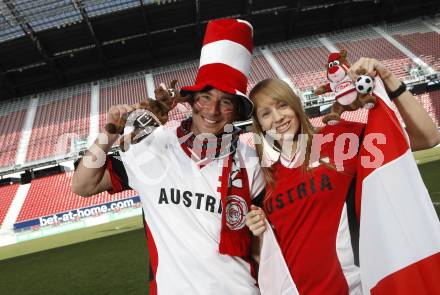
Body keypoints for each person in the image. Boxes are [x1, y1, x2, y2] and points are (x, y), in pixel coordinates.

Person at [72, 19, 265, 294]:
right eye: (206, 97)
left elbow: (261, 247)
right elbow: (82, 185)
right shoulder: (152, 146)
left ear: (236, 110)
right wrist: (111, 131)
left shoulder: (252, 162)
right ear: (191, 100)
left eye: (226, 101)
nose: (212, 110)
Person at [245, 58, 440, 294]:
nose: (278, 118)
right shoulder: (263, 177)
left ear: (296, 105)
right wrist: (255, 230)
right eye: (266, 114)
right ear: (260, 125)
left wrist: (389, 79)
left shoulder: (340, 141)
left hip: (354, 287)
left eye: (282, 105)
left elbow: (428, 137)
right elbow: (264, 254)